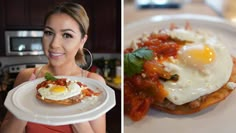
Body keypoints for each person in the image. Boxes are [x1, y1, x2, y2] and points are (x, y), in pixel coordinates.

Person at [0, 2, 106, 133]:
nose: (54, 44)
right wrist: (24, 104)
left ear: (82, 41)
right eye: (49, 33)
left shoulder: (95, 85)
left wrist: (76, 105)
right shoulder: (26, 77)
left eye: (67, 35)